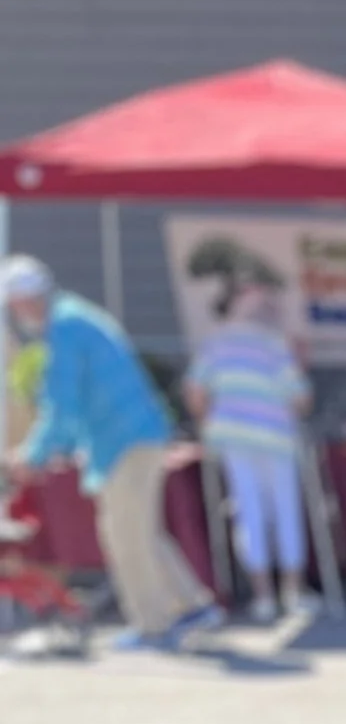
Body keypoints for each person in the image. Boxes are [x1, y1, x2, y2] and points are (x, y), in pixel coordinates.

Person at [0, 254, 218, 651]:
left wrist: (32, 455)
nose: (16, 313)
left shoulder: (65, 329)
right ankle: (191, 607)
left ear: (28, 299)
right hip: (134, 438)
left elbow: (61, 405)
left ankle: (153, 627)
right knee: (141, 532)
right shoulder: (76, 318)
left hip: (126, 442)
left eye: (15, 304)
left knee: (124, 536)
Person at [184, 280, 311, 625]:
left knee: (249, 513)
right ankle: (293, 592)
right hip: (276, 437)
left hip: (233, 438)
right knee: (285, 513)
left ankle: (263, 596)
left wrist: (210, 423)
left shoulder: (214, 343)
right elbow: (299, 399)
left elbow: (195, 392)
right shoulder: (275, 345)